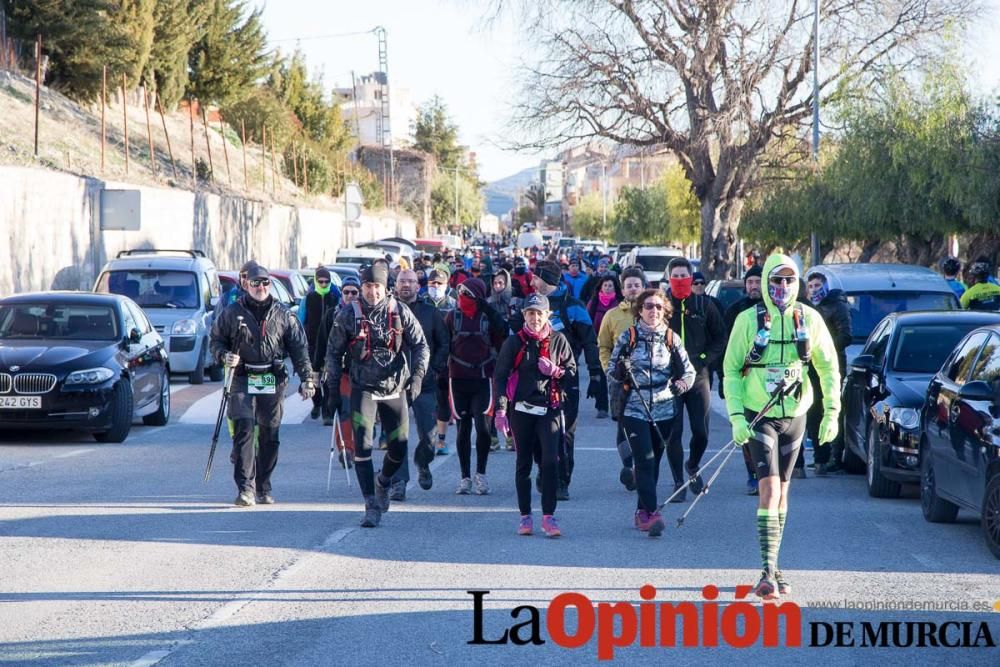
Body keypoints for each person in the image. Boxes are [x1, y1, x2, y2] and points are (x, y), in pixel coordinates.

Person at [723, 253, 841, 599]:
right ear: (765, 284)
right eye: (776, 280)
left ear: (798, 283)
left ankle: (773, 566)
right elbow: (730, 369)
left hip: (796, 413)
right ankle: (766, 571)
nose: (782, 287)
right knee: (769, 491)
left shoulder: (811, 319)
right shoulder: (747, 320)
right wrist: (735, 417)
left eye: (789, 280)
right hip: (759, 413)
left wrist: (832, 411)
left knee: (784, 493)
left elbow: (829, 368)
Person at [323, 264, 429, 528]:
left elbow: (421, 346)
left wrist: (416, 378)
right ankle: (370, 504)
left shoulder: (399, 311)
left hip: (395, 388)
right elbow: (333, 354)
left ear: (386, 288)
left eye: (377, 287)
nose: (372, 292)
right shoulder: (349, 314)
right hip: (363, 388)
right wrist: (333, 391)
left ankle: (382, 482)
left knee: (399, 447)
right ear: (362, 287)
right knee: (363, 448)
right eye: (368, 286)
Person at [210, 264, 316, 507]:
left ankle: (263, 486)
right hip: (242, 377)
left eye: (265, 282)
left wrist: (307, 378)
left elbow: (299, 349)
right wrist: (223, 355)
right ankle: (245, 488)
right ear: (247, 284)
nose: (260, 287)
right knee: (244, 429)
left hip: (271, 377)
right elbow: (215, 340)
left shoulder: (283, 313)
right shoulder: (231, 312)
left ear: (270, 284)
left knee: (269, 434)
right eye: (255, 283)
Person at [509, 260, 603, 499]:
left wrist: (594, 374)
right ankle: (545, 467)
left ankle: (562, 480)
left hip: (564, 380)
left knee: (564, 433)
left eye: (536, 278)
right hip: (531, 383)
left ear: (546, 280)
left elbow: (590, 341)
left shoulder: (574, 307)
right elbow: (513, 341)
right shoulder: (528, 305)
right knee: (536, 434)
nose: (532, 282)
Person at [608, 289, 696, 537]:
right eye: (648, 306)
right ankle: (653, 513)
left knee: (654, 463)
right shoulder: (629, 336)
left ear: (664, 309)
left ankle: (641, 513)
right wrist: (621, 371)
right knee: (644, 460)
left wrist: (681, 385)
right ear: (640, 310)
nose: (653, 310)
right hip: (634, 408)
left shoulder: (671, 338)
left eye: (658, 306)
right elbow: (611, 372)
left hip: (665, 408)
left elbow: (689, 373)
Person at [494, 294, 577, 538]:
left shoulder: (559, 341)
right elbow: (500, 376)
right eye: (530, 313)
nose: (535, 318)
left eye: (539, 313)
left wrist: (557, 371)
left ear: (548, 315)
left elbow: (572, 374)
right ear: (524, 316)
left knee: (551, 461)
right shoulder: (514, 343)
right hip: (521, 409)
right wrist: (500, 409)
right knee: (523, 463)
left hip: (549, 409)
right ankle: (525, 516)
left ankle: (549, 516)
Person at [662, 257, 725, 501]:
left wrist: (703, 358)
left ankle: (693, 465)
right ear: (669, 278)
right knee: (673, 433)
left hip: (698, 376)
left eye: (683, 276)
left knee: (701, 431)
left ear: (691, 277)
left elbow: (720, 337)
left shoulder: (704, 305)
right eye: (674, 276)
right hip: (670, 379)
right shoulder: (661, 306)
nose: (679, 280)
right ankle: (679, 481)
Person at [388, 270, 450, 500]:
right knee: (397, 434)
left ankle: (423, 463)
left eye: (411, 282)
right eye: (402, 281)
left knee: (429, 436)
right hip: (394, 384)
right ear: (396, 285)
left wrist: (434, 368)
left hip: (425, 383)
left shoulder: (430, 312)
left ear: (418, 286)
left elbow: (444, 343)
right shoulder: (387, 310)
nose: (406, 285)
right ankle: (399, 482)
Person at [445, 277, 508, 494]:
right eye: (461, 292)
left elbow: (503, 336)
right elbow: (443, 346)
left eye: (469, 294)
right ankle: (465, 478)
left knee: (483, 428)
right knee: (463, 429)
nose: (464, 297)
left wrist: (490, 311)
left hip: (483, 378)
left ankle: (481, 474)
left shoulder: (487, 317)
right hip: (458, 379)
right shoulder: (452, 317)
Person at [598, 266, 647, 490]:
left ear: (644, 287)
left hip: (649, 381)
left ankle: (643, 466)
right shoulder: (613, 315)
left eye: (637, 285)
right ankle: (630, 467)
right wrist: (610, 370)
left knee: (647, 425)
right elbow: (604, 346)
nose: (633, 289)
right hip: (621, 382)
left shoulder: (654, 310)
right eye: (629, 286)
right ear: (623, 288)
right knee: (623, 427)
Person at [805, 271, 853, 475]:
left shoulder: (838, 305)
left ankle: (835, 456)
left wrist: (824, 350)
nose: (815, 290)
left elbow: (846, 336)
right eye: (811, 286)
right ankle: (820, 459)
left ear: (825, 286)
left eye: (818, 285)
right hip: (811, 367)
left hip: (832, 366)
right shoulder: (808, 308)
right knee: (813, 411)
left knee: (832, 409)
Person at [721, 265, 764, 494]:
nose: (754, 286)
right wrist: (724, 380)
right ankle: (753, 473)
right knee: (745, 431)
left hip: (767, 384)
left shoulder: (772, 310)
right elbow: (726, 349)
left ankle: (767, 473)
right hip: (740, 381)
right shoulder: (735, 311)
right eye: (750, 282)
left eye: (758, 281)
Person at [426, 268, 457, 455]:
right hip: (424, 361)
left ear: (446, 285)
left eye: (439, 283)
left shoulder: (454, 306)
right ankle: (427, 438)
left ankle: (441, 440)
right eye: (432, 283)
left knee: (442, 401)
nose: (436, 286)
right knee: (426, 402)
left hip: (445, 362)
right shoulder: (422, 304)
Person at [302, 267, 340, 421]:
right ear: (316, 281)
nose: (324, 284)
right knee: (313, 375)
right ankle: (316, 402)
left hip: (329, 342)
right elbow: (301, 320)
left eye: (326, 281)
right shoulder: (309, 298)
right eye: (320, 281)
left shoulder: (335, 296)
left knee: (328, 378)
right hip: (311, 344)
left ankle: (327, 412)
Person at [586, 275, 622, 419]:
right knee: (601, 376)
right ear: (601, 287)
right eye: (605, 285)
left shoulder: (619, 303)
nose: (607, 288)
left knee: (617, 377)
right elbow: (588, 323)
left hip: (617, 345)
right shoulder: (594, 303)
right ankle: (602, 407)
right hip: (599, 344)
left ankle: (618, 406)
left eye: (610, 286)